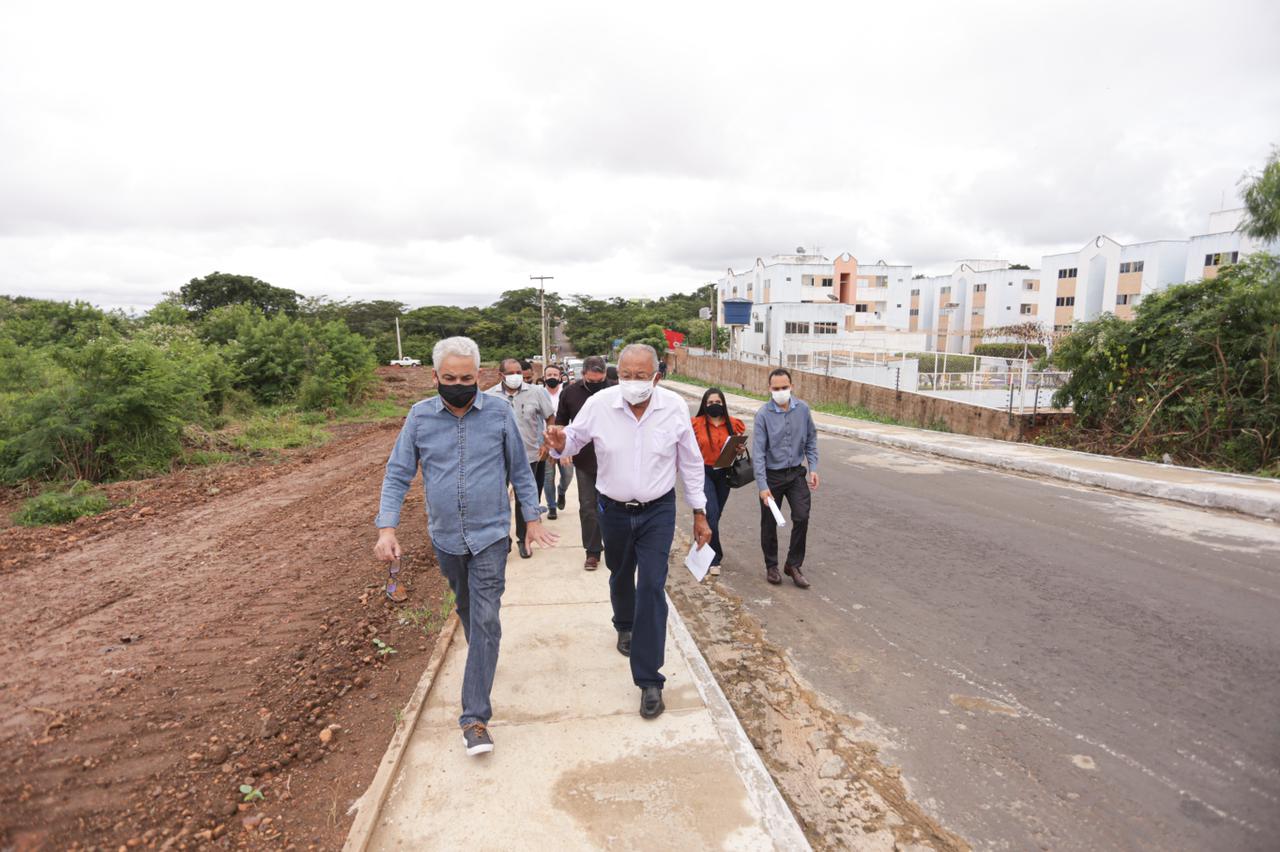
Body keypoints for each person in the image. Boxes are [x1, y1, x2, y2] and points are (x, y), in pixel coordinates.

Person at [374, 336, 558, 757]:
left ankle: (474, 718)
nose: (459, 384)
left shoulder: (497, 413)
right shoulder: (419, 418)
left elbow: (520, 470)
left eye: (468, 377)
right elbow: (397, 473)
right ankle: (484, 658)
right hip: (446, 537)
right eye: (451, 377)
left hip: (491, 533)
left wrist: (531, 519)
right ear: (436, 376)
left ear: (480, 376)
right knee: (467, 609)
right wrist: (387, 528)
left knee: (487, 614)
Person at [545, 344, 711, 720]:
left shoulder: (673, 408)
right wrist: (559, 445)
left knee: (652, 586)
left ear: (657, 376)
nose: (634, 383)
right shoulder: (601, 404)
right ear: (617, 375)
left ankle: (649, 680)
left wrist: (700, 512)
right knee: (620, 573)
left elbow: (690, 461)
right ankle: (623, 623)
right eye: (627, 375)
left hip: (658, 510)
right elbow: (573, 439)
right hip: (613, 509)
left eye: (642, 376)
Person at [752, 368, 819, 589]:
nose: (780, 391)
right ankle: (771, 566)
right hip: (772, 476)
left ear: (792, 386)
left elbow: (811, 439)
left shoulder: (803, 410)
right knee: (769, 523)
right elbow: (759, 453)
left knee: (802, 516)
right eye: (776, 388)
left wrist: (813, 467)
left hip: (796, 474)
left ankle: (793, 564)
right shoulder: (763, 415)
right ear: (769, 389)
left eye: (784, 387)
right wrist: (763, 486)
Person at [486, 358, 556, 558]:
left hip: (529, 456)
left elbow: (549, 417)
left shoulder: (536, 393)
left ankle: (524, 540)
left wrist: (547, 442)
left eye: (519, 372)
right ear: (501, 375)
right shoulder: (489, 396)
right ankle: (502, 541)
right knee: (498, 500)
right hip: (497, 458)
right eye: (511, 373)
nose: (516, 376)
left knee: (525, 499)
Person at [554, 355, 614, 570]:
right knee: (588, 506)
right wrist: (563, 449)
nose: (596, 385)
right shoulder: (570, 393)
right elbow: (561, 423)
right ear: (583, 376)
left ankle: (616, 546)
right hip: (585, 460)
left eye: (600, 381)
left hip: (614, 461)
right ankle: (593, 551)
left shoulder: (616, 391)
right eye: (591, 381)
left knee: (615, 506)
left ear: (606, 374)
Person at [691, 387, 746, 577]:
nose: (715, 405)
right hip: (703, 472)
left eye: (718, 402)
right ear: (704, 405)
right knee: (711, 514)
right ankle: (714, 558)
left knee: (715, 515)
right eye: (710, 403)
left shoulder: (733, 424)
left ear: (723, 403)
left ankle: (702, 539)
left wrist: (738, 450)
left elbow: (737, 449)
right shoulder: (696, 424)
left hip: (724, 473)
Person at [540, 364, 573, 519]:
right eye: (549, 375)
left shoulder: (567, 394)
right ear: (544, 377)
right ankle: (551, 506)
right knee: (548, 475)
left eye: (555, 375)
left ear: (560, 377)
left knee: (567, 474)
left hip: (566, 441)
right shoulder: (539, 394)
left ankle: (561, 492)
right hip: (545, 442)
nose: (552, 377)